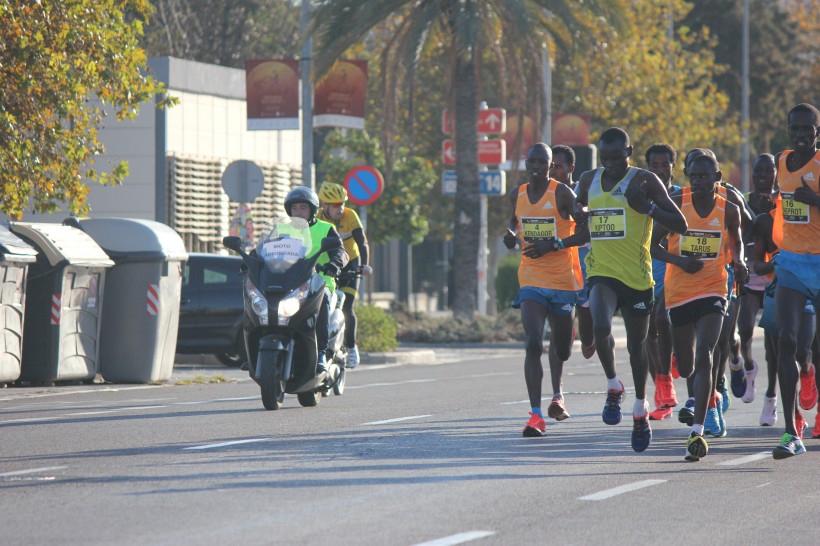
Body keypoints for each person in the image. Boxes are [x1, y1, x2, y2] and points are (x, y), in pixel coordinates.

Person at [575, 127, 687, 452]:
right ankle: (613, 386)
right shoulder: (588, 179)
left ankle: (640, 408)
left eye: (617, 157)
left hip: (638, 277)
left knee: (638, 349)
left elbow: (679, 223)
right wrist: (575, 213)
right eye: (604, 157)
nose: (610, 164)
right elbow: (572, 207)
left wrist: (647, 208)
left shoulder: (645, 181)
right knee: (599, 326)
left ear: (630, 151)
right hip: (602, 270)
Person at [651, 154, 747, 461]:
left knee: (706, 353)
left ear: (717, 176)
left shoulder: (729, 210)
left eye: (705, 177)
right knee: (689, 366)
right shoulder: (676, 202)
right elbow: (654, 246)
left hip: (713, 288)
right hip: (680, 290)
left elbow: (736, 242)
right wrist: (680, 260)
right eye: (694, 176)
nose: (699, 182)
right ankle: (684, 364)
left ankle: (698, 429)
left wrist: (741, 261)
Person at [503, 143, 586, 437]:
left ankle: (558, 394)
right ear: (526, 163)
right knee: (533, 343)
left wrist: (556, 244)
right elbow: (515, 220)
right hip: (531, 279)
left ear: (551, 166)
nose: (535, 166)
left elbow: (585, 230)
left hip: (563, 282)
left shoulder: (562, 193)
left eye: (542, 161)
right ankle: (535, 415)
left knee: (561, 349)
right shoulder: (518, 194)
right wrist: (512, 235)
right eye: (531, 161)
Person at [770, 103, 820, 458]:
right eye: (795, 129)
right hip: (789, 263)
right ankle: (791, 432)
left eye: (807, 129)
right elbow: (783, 206)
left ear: (817, 130)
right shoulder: (781, 160)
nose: (800, 135)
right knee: (785, 339)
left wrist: (815, 200)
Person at [284, 186, 348, 373]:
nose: (298, 212)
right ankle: (253, 350)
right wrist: (251, 260)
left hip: (319, 282)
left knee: (322, 300)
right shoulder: (281, 229)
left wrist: (334, 264)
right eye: (294, 208)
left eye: (303, 208)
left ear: (312, 209)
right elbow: (265, 250)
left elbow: (341, 252)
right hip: (288, 284)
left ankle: (322, 352)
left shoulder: (326, 228)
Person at [736, 154, 778, 405]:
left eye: (768, 170)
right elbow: (743, 236)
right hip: (751, 275)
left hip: (775, 276)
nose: (762, 175)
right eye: (758, 170)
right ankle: (749, 367)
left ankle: (771, 394)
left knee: (774, 340)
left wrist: (770, 212)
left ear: (775, 173)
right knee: (744, 328)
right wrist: (755, 218)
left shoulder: (783, 200)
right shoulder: (743, 201)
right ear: (751, 173)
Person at [317, 181, 373, 369]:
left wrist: (365, 265)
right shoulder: (317, 218)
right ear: (323, 205)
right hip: (327, 264)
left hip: (351, 262)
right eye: (335, 205)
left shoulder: (351, 215)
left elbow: (362, 242)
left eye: (342, 203)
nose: (340, 208)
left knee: (347, 306)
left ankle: (351, 346)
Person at [643, 143, 680, 420]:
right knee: (647, 332)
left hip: (675, 268)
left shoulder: (682, 196)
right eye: (653, 166)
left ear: (673, 167)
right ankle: (662, 390)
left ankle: (670, 376)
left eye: (664, 165)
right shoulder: (639, 197)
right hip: (644, 267)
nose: (659, 170)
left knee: (661, 320)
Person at [552, 144, 595, 359]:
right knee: (561, 345)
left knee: (588, 340)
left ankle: (587, 337)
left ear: (571, 167)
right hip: (558, 266)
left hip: (584, 264)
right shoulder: (544, 193)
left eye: (558, 166)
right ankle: (556, 390)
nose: (552, 171)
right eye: (551, 166)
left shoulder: (581, 191)